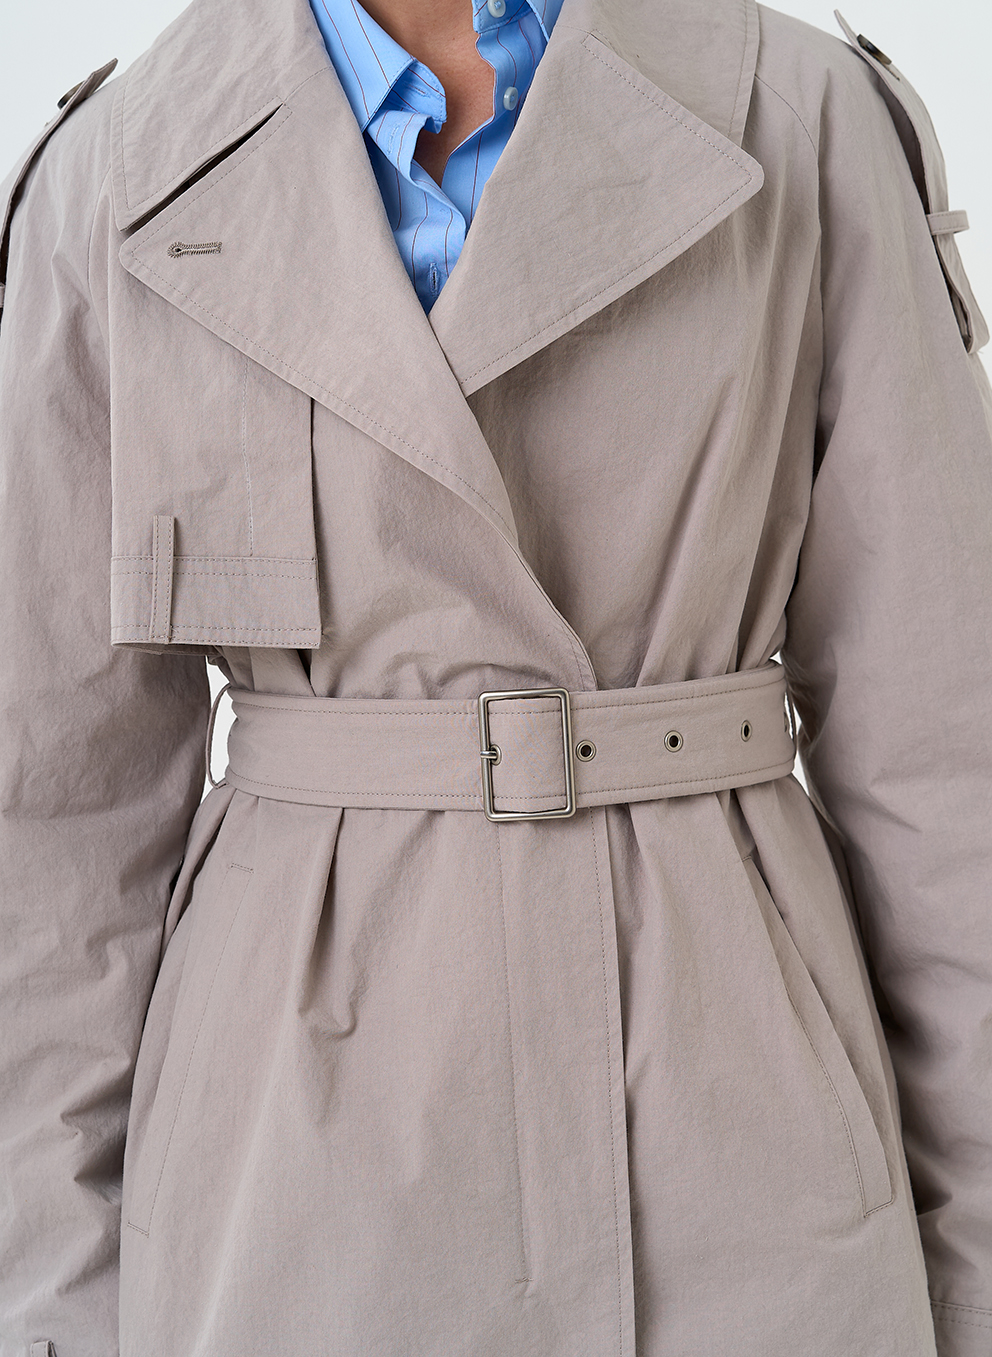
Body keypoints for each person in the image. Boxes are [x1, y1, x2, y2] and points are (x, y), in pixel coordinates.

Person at [1, 0, 989, 1353]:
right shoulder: (120, 170)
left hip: (744, 1130)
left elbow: (947, 767)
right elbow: (52, 836)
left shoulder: (803, 120)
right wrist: (51, 1311)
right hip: (282, 1187)